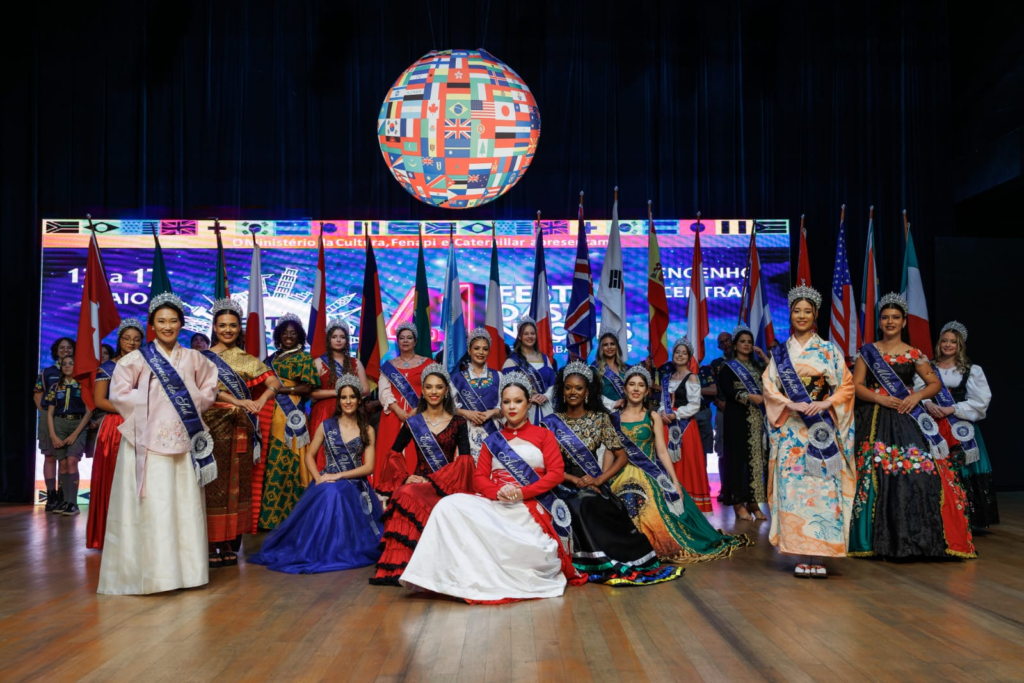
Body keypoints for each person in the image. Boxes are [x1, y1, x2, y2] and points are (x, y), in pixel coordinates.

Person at [400, 372, 588, 602]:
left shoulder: (544, 435)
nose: (511, 407)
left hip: (529, 504)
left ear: (528, 404)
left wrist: (521, 492)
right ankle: (436, 578)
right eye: (506, 402)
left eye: (517, 401)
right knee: (447, 505)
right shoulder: (493, 440)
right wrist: (497, 492)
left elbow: (556, 474)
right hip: (496, 501)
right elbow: (479, 478)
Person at [97, 293, 219, 595]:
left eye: (173, 321)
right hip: (147, 441)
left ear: (182, 324)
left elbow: (210, 386)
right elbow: (118, 394)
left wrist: (192, 399)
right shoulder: (135, 359)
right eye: (161, 321)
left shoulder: (194, 358)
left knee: (183, 505)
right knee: (153, 504)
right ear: (152, 325)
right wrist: (148, 403)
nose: (168, 326)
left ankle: (187, 574)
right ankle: (151, 576)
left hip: (185, 438)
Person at [848, 295, 976, 559]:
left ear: (904, 321)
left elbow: (934, 383)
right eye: (885, 317)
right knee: (874, 474)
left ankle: (914, 538)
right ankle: (872, 541)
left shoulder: (914, 353)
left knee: (919, 472)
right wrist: (879, 397)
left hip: (905, 416)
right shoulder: (867, 351)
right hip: (873, 417)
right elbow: (857, 386)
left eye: (896, 317)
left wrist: (915, 396)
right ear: (880, 322)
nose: (890, 322)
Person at [545, 361, 683, 585]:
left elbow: (621, 456)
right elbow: (547, 464)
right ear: (562, 390)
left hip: (592, 481)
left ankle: (603, 557)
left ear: (587, 392)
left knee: (596, 503)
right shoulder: (550, 423)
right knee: (578, 503)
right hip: (560, 481)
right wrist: (572, 479)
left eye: (578, 388)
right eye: (568, 387)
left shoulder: (600, 419)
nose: (573, 392)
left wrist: (598, 479)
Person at [762, 285, 856, 578]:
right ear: (789, 314)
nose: (801, 316)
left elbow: (847, 386)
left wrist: (826, 401)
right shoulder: (779, 354)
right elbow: (768, 389)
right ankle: (801, 551)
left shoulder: (828, 350)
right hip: (791, 431)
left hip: (822, 431)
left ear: (815, 314)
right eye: (796, 310)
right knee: (794, 492)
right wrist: (791, 403)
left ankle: (821, 555)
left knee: (822, 490)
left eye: (807, 311)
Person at [614, 365, 752, 562]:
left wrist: (675, 482)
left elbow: (662, 451)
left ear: (646, 391)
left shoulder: (652, 417)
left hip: (650, 473)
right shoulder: (614, 418)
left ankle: (650, 546)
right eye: (632, 384)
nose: (636, 389)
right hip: (621, 473)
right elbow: (612, 454)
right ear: (625, 388)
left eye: (641, 385)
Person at [249, 375, 383, 573]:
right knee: (330, 493)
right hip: (326, 481)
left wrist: (338, 476)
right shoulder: (326, 426)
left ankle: (337, 549)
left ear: (359, 400)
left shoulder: (367, 429)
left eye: (352, 397)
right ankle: (321, 550)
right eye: (343, 397)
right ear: (338, 400)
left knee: (335, 493)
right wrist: (318, 478)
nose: (348, 402)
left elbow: (369, 467)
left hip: (355, 485)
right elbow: (309, 456)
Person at [371, 363, 475, 585]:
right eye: (429, 387)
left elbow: (465, 461)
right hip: (418, 485)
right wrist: (405, 477)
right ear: (423, 391)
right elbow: (393, 454)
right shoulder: (413, 422)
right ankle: (401, 569)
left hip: (447, 486)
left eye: (439, 387)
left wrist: (436, 481)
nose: (434, 392)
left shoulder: (458, 422)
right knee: (404, 492)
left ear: (447, 390)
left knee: (409, 494)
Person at [201, 298, 280, 567]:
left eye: (233, 325)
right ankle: (210, 541)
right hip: (209, 431)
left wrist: (261, 400)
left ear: (239, 328)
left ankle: (227, 541)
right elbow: (203, 391)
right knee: (211, 485)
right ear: (213, 326)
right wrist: (238, 401)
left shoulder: (247, 359)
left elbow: (274, 382)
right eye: (222, 325)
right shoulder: (201, 358)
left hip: (239, 431)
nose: (227, 330)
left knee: (234, 486)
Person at [921, 321, 997, 528]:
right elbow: (917, 391)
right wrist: (927, 403)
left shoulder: (972, 370)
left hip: (960, 428)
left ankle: (967, 519)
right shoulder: (928, 366)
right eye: (944, 340)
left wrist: (952, 409)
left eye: (952, 342)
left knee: (963, 469)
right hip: (932, 426)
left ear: (959, 345)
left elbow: (981, 401)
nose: (947, 345)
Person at [254, 314, 319, 530]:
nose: (288, 336)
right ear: (278, 336)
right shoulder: (271, 359)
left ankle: (295, 515)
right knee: (271, 462)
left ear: (299, 336)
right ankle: (270, 518)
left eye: (293, 333)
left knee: (292, 461)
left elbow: (308, 388)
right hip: (270, 416)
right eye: (285, 333)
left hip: (292, 417)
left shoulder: (303, 358)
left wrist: (280, 389)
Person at [86, 318, 145, 548]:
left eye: (137, 339)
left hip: (142, 423)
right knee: (113, 478)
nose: (131, 342)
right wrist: (132, 409)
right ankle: (110, 537)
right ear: (119, 340)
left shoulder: (147, 365)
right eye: (127, 338)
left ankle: (137, 536)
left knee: (139, 479)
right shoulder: (108, 367)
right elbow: (100, 400)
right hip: (115, 427)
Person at [718, 325, 769, 521]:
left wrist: (765, 358)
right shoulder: (728, 367)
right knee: (737, 461)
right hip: (737, 418)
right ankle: (738, 504)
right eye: (742, 342)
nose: (746, 345)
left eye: (749, 342)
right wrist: (747, 396)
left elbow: (774, 380)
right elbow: (726, 390)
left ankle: (754, 502)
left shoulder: (758, 367)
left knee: (755, 460)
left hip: (756, 419)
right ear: (735, 345)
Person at [308, 318, 370, 472]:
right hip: (324, 412)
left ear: (347, 340)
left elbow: (366, 389)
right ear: (328, 339)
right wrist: (338, 391)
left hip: (350, 410)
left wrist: (346, 393)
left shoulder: (355, 363)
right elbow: (311, 392)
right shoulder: (318, 363)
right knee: (323, 452)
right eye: (334, 337)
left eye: (342, 337)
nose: (338, 340)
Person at [658, 338, 712, 512]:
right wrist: (662, 413)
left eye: (684, 353)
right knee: (667, 462)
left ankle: (689, 506)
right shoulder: (666, 378)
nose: (680, 355)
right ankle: (670, 503)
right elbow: (661, 402)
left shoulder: (693, 377)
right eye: (677, 352)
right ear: (672, 355)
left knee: (686, 462)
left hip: (686, 427)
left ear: (689, 357)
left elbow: (694, 405)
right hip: (667, 426)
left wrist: (676, 414)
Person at [374, 322, 430, 484]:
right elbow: (384, 391)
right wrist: (398, 411)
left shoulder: (427, 364)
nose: (405, 341)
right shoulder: (388, 366)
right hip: (393, 416)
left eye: (409, 338)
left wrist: (417, 409)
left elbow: (433, 389)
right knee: (391, 453)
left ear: (415, 341)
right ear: (397, 341)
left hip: (420, 416)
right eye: (402, 338)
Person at [44, 355, 92, 516]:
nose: (67, 366)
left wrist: (75, 433)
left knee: (72, 460)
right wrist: (53, 435)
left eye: (71, 363)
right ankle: (64, 500)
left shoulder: (83, 386)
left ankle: (73, 502)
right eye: (64, 364)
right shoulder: (55, 387)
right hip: (59, 424)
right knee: (62, 463)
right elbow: (49, 413)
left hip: (77, 424)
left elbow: (89, 411)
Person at [36, 337, 75, 511]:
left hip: (68, 419)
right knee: (50, 456)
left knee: (66, 458)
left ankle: (63, 494)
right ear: (56, 350)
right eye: (62, 347)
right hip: (48, 417)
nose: (65, 350)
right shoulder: (47, 372)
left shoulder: (78, 372)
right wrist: (46, 413)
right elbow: (37, 394)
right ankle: (51, 494)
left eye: (69, 347)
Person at [452, 328, 502, 459]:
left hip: (493, 430)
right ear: (469, 350)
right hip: (466, 432)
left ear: (489, 352)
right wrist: (466, 413)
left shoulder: (499, 376)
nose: (481, 352)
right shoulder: (457, 378)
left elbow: (506, 407)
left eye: (485, 349)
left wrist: (491, 412)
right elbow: (448, 407)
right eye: (477, 348)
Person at [502, 315, 556, 424]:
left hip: (545, 409)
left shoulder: (544, 359)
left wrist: (545, 396)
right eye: (526, 334)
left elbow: (553, 385)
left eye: (532, 333)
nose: (530, 336)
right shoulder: (512, 361)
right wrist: (529, 398)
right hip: (524, 411)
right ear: (520, 337)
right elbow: (505, 389)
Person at [711, 331, 734, 496]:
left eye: (728, 340)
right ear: (719, 347)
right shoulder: (715, 364)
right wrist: (719, 403)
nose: (726, 344)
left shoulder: (743, 360)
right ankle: (725, 488)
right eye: (722, 342)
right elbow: (712, 388)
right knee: (722, 451)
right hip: (722, 409)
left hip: (741, 410)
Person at [593, 332, 627, 411]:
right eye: (605, 345)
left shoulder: (625, 368)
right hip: (605, 411)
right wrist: (613, 404)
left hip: (626, 411)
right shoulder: (595, 368)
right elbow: (592, 394)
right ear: (601, 348)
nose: (609, 347)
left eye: (612, 344)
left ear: (617, 346)